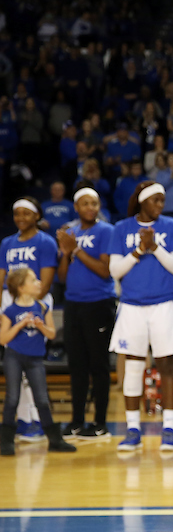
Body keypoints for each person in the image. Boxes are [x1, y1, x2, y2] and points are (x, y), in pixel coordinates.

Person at [108, 182, 173, 451]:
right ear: (142, 201)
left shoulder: (171, 226)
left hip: (163, 304)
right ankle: (132, 430)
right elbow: (115, 271)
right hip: (131, 306)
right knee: (132, 367)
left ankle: (168, 429)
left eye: (162, 200)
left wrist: (154, 247)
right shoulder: (121, 228)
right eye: (155, 200)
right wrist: (139, 250)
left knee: (167, 366)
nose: (160, 205)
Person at [57, 185, 116, 439]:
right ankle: (76, 421)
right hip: (73, 304)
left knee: (98, 365)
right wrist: (67, 251)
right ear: (76, 207)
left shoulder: (107, 230)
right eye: (85, 203)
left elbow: (105, 270)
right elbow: (62, 277)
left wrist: (77, 250)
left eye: (94, 203)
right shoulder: (69, 232)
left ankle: (100, 423)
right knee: (76, 365)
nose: (91, 208)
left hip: (99, 303)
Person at [0, 197, 59, 442]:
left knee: (32, 359)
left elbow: (44, 282)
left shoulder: (45, 242)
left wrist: (32, 306)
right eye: (17, 214)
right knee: (14, 359)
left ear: (37, 216)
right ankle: (25, 419)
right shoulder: (6, 243)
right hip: (10, 302)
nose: (21, 218)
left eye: (26, 213)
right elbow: (2, 275)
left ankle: (35, 418)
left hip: (35, 301)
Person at [0, 267, 75, 456]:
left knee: (42, 399)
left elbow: (51, 334)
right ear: (21, 287)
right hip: (14, 357)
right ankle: (6, 441)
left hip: (35, 358)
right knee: (12, 398)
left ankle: (55, 439)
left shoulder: (42, 307)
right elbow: (3, 338)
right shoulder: (10, 310)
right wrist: (20, 324)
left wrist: (41, 326)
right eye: (33, 280)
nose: (39, 283)